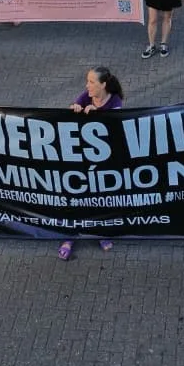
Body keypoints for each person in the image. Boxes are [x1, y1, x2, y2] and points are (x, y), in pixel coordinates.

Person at [57, 67, 125, 260]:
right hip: (81, 160)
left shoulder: (115, 102)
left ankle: (99, 234)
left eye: (92, 82)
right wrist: (75, 109)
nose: (87, 86)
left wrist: (99, 114)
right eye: (87, 81)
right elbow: (72, 110)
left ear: (103, 85)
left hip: (104, 163)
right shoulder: (86, 96)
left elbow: (115, 127)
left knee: (100, 199)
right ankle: (69, 238)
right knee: (76, 199)